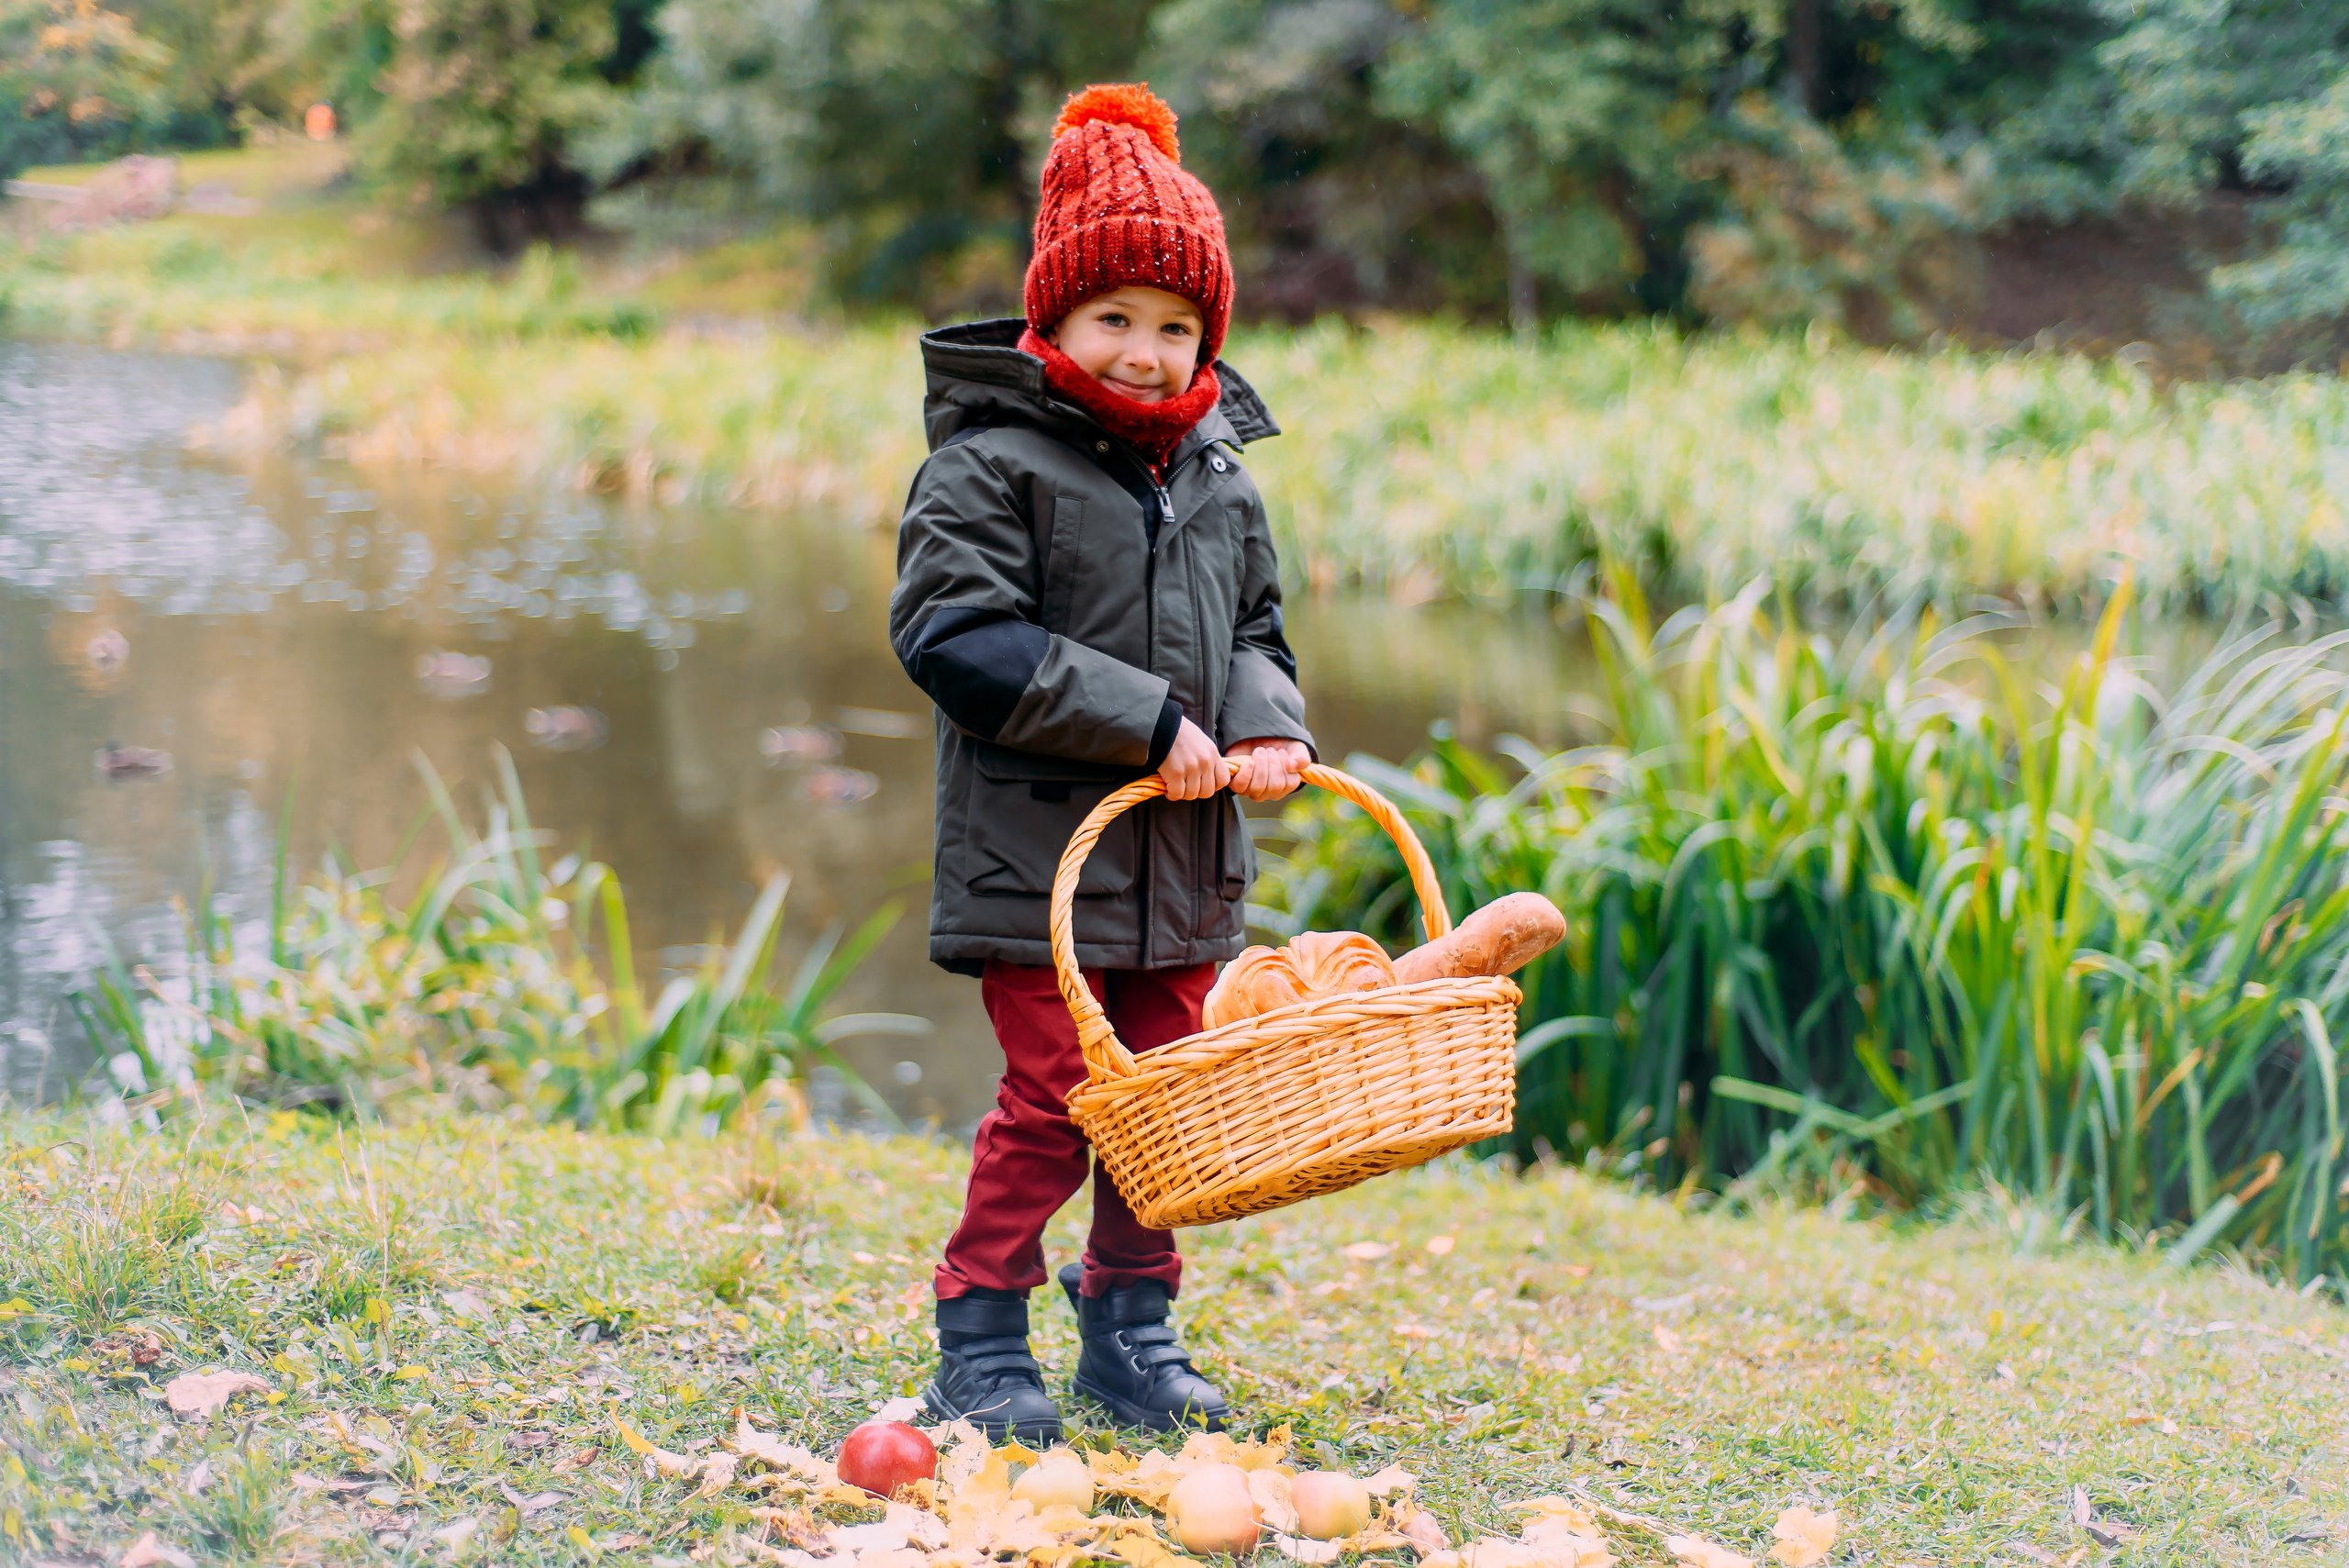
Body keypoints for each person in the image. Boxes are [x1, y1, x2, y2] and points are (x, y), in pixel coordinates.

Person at [888, 83, 1314, 1443]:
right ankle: (981, 1322)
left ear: (1209, 333)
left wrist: (1264, 719)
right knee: (1065, 1098)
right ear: (1053, 317)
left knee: (1166, 1103)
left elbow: (1257, 625)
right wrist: (1143, 720)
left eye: (1175, 325)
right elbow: (956, 637)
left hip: (1181, 860)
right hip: (1042, 868)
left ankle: (1131, 1328)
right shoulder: (988, 463)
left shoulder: (1219, 476)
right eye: (1114, 317)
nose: (1144, 350)